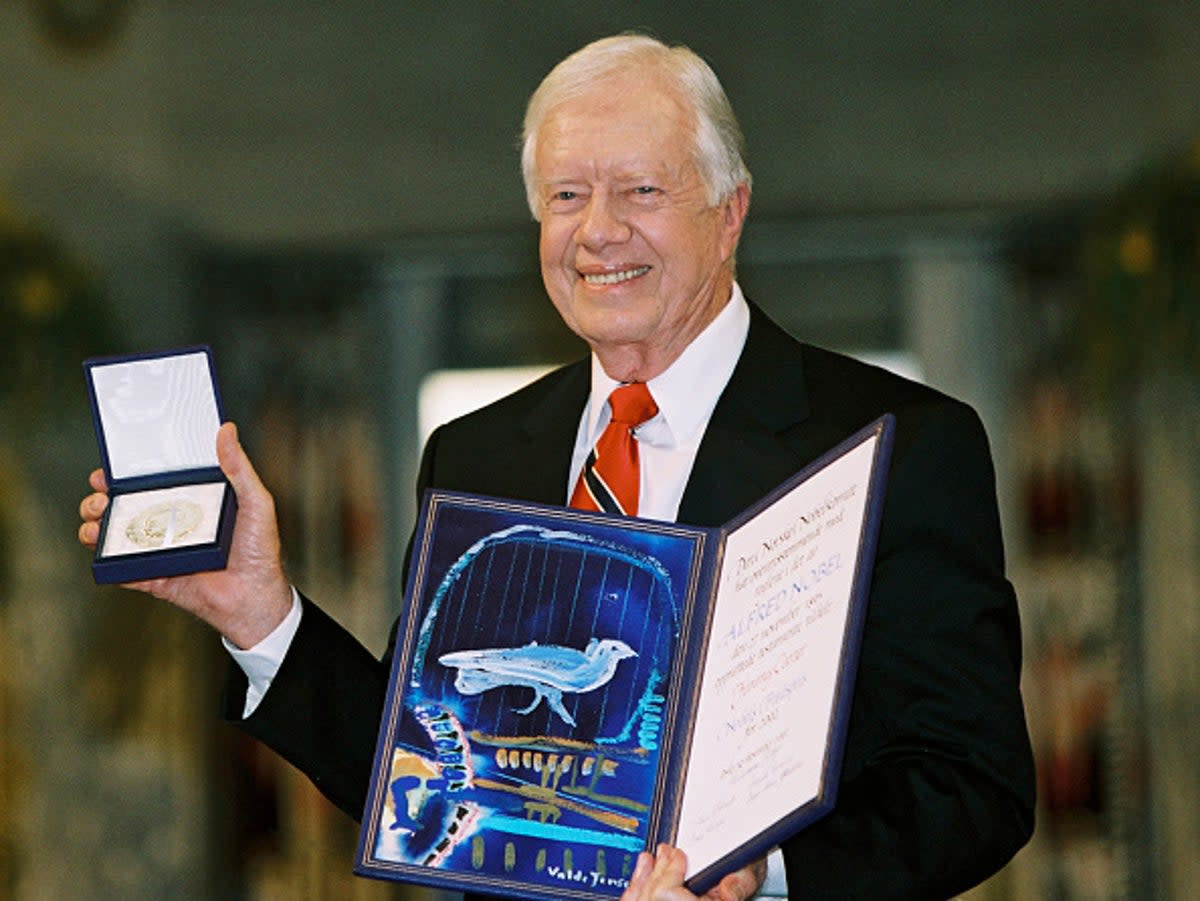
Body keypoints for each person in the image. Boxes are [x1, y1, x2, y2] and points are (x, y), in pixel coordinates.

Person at [79, 33, 1035, 900]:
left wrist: (765, 876)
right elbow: (432, 758)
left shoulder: (897, 442)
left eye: (643, 191)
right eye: (568, 196)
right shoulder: (480, 451)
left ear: (730, 211)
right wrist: (259, 610)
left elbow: (970, 784)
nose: (599, 230)